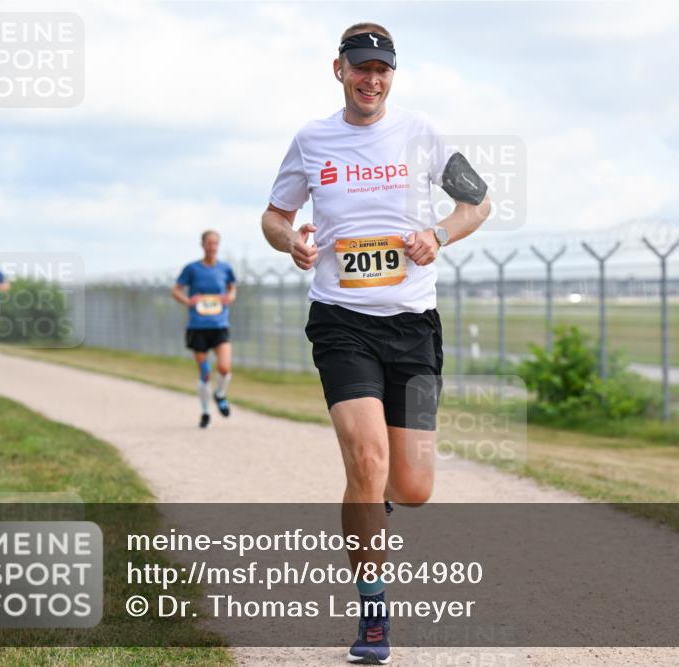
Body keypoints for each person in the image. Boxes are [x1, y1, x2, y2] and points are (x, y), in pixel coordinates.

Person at [261, 22, 491, 664]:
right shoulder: (311, 139)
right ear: (339, 69)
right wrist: (293, 242)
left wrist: (440, 235)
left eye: (382, 69)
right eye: (360, 67)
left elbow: (479, 204)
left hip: (412, 325)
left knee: (412, 487)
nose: (371, 79)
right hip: (341, 321)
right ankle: (372, 611)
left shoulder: (422, 134)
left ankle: (381, 498)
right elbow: (274, 217)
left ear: (393, 74)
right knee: (364, 459)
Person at [172, 230, 237, 429]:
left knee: (224, 368)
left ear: (218, 245)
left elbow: (232, 288)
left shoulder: (225, 268)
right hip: (198, 327)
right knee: (205, 373)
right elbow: (176, 290)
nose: (212, 247)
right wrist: (188, 301)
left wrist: (230, 297)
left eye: (215, 243)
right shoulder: (192, 269)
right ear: (202, 245)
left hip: (220, 325)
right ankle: (206, 412)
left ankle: (220, 393)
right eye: (209, 243)